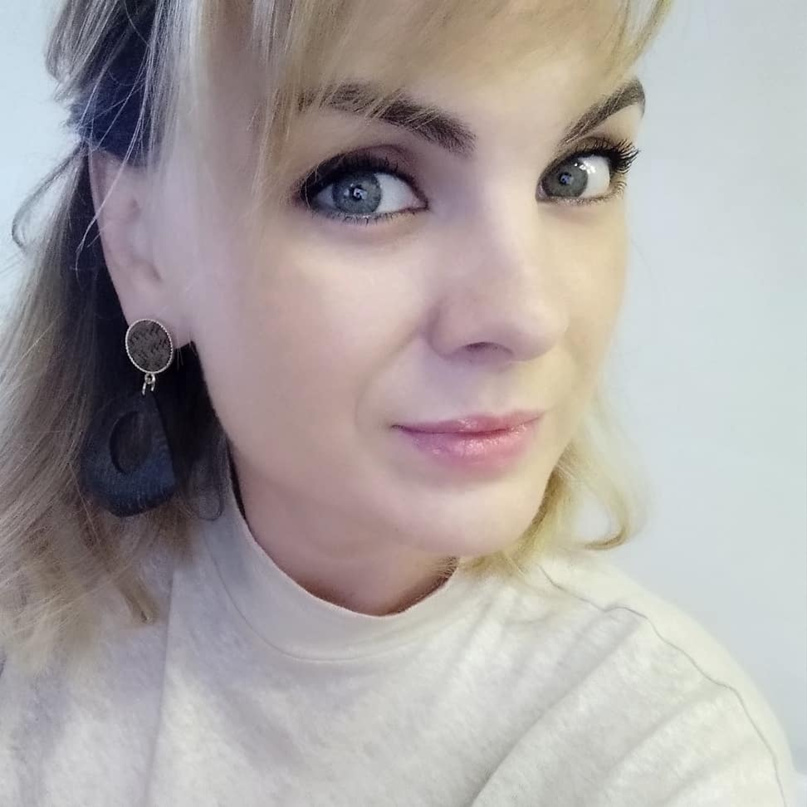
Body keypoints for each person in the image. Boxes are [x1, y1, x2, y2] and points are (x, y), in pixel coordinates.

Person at [0, 0, 798, 804]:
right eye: (363, 189)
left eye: (576, 172)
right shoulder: (29, 630)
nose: (527, 318)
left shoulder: (669, 757)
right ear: (139, 241)